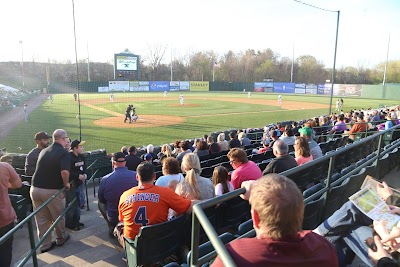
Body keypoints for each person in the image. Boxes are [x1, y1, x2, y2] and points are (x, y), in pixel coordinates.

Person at [211, 174, 338, 267]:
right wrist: (259, 193)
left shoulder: (234, 255)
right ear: (300, 212)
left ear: (255, 217)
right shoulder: (324, 248)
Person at [117, 162, 196, 246]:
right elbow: (189, 207)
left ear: (137, 177)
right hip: (159, 244)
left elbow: (122, 219)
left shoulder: (124, 196)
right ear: (154, 177)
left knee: (118, 227)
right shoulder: (165, 192)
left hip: (134, 247)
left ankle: (127, 254)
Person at [30, 129, 71, 253]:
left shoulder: (43, 150)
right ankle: (61, 237)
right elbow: (64, 171)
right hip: (51, 191)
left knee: (41, 219)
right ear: (62, 139)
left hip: (35, 189)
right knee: (57, 216)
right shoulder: (63, 153)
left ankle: (45, 244)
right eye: (66, 139)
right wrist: (66, 184)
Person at [98, 152, 137, 237]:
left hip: (116, 217)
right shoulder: (136, 175)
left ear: (113, 163)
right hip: (133, 214)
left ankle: (112, 227)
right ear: (125, 162)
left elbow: (101, 200)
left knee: (100, 204)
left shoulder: (105, 179)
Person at [0, 161, 22, 267]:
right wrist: (5, 184)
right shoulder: (4, 167)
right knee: (5, 250)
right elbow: (18, 184)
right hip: (4, 218)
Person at [65, 140, 87, 231]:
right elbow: (67, 172)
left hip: (79, 184)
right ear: (75, 148)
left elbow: (85, 168)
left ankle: (76, 221)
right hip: (72, 185)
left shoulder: (82, 156)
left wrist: (85, 174)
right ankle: (69, 223)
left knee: (78, 203)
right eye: (80, 147)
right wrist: (77, 176)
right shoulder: (69, 157)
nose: (82, 148)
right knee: (71, 204)